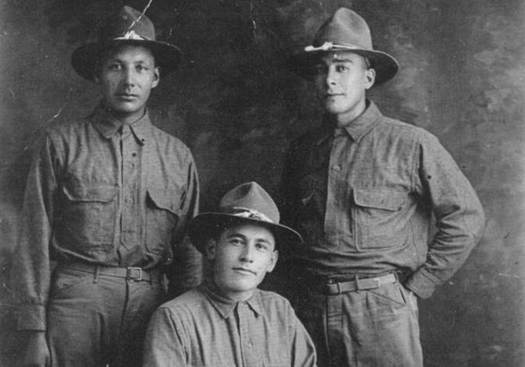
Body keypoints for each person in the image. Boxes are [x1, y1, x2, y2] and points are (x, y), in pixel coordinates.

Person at [281, 8, 485, 367]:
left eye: (342, 67)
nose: (330, 79)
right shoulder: (302, 150)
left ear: (368, 77)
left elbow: (465, 217)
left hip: (380, 311)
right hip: (309, 309)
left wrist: (419, 284)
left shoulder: (410, 143)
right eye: (321, 69)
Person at [10, 6, 201, 367]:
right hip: (76, 303)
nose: (129, 80)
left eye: (141, 68)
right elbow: (34, 240)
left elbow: (189, 254)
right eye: (116, 66)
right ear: (98, 74)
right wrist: (33, 330)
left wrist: (188, 326)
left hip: (152, 307)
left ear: (155, 77)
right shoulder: (61, 144)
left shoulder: (178, 156)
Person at [143, 182, 317, 367]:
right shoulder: (175, 318)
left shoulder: (280, 311)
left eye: (260, 246)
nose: (247, 256)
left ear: (271, 261)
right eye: (236, 241)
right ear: (212, 249)